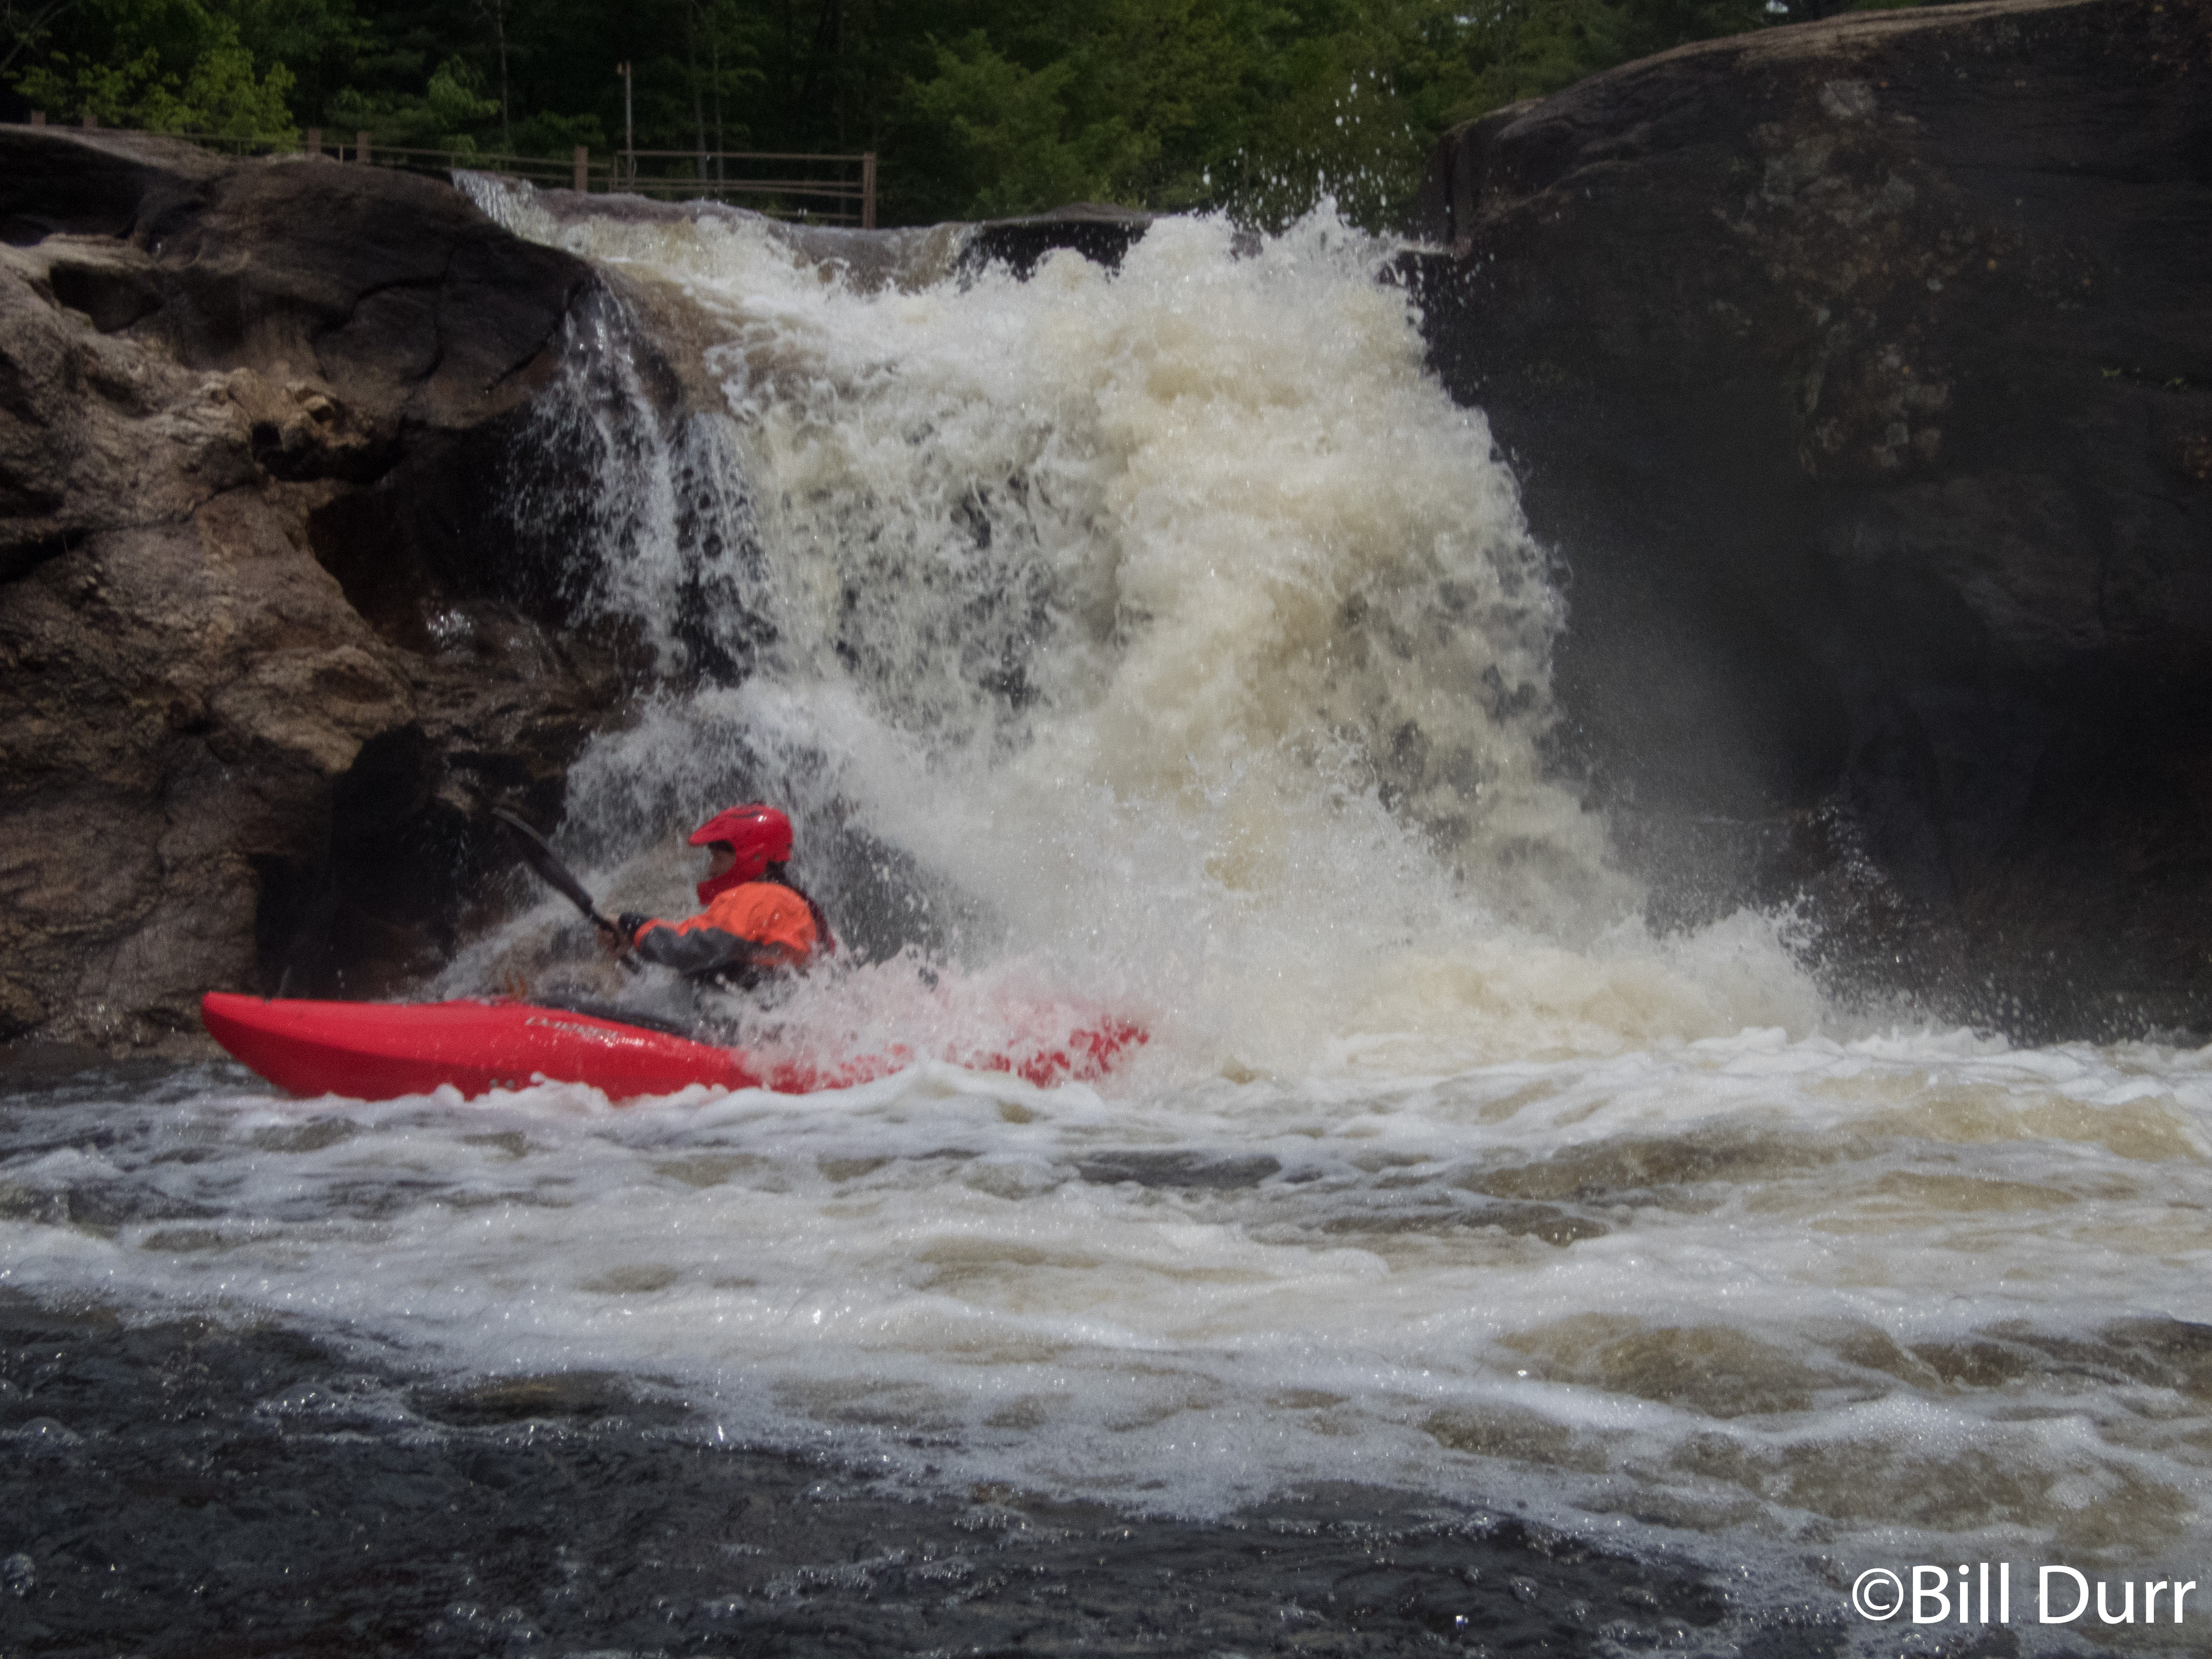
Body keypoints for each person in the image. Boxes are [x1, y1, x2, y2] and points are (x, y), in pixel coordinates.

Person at [610, 804, 834, 989]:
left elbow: (692, 947)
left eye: (718, 858)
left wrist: (632, 926)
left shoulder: (760, 898)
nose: (711, 870)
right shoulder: (795, 902)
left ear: (754, 857)